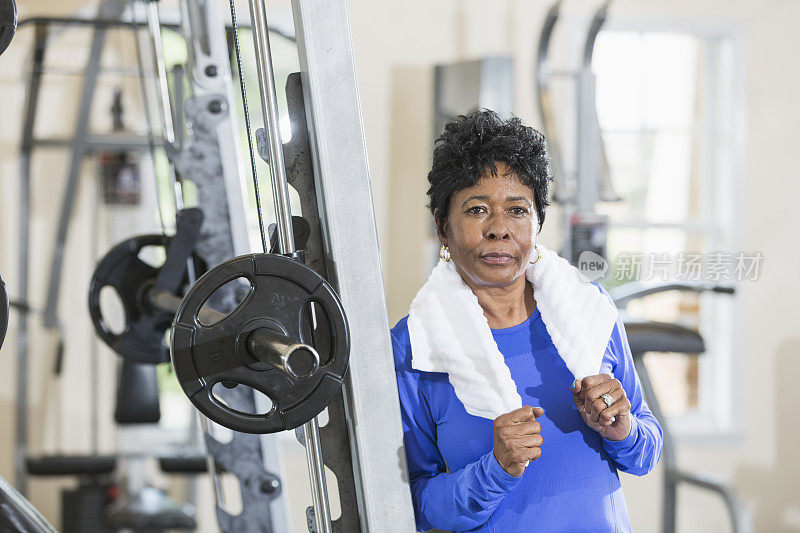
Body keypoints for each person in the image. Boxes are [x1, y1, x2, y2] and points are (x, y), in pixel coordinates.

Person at [391, 109, 662, 532]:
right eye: (477, 209)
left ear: (537, 223)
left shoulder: (589, 310)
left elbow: (647, 450)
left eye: (517, 210)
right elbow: (413, 504)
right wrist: (495, 470)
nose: (499, 229)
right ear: (443, 227)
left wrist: (622, 430)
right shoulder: (415, 347)